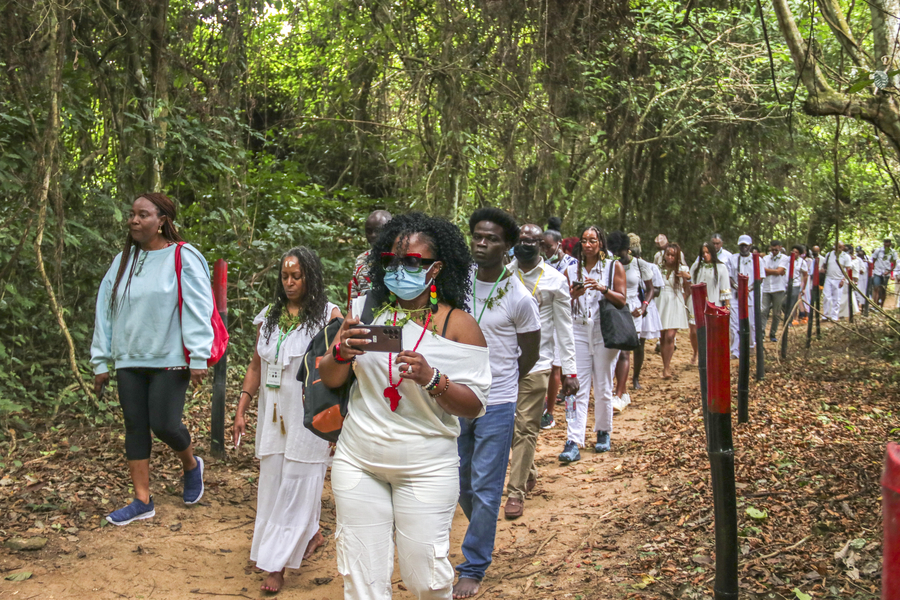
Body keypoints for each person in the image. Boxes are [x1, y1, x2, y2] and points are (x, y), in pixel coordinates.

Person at [319, 212, 491, 600]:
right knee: (361, 579)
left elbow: (475, 405)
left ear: (436, 268)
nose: (399, 270)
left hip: (427, 468)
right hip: (358, 461)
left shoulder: (458, 325)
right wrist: (342, 352)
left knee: (425, 580)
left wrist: (433, 379)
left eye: (412, 262)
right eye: (390, 261)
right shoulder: (365, 310)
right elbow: (331, 378)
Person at [91, 193, 212, 525]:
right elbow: (105, 311)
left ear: (162, 220)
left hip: (170, 357)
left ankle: (191, 464)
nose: (134, 220)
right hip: (128, 358)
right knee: (134, 427)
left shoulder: (183, 256)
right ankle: (142, 500)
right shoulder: (122, 261)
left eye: (143, 215)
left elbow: (199, 306)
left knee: (164, 424)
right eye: (132, 214)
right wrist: (101, 360)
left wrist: (199, 354)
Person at [232, 247, 339, 593]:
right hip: (273, 413)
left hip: (308, 413)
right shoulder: (270, 317)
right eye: (284, 276)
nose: (289, 282)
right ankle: (305, 533)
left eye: (296, 276)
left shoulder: (328, 315)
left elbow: (340, 372)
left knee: (300, 476)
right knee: (274, 478)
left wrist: (337, 421)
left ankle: (276, 563)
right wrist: (243, 405)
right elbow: (255, 366)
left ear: (310, 276)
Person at [456, 208, 540, 598]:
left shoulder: (520, 296)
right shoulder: (460, 283)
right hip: (457, 398)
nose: (481, 244)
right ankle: (483, 531)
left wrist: (501, 381)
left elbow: (530, 354)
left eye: (490, 239)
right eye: (477, 237)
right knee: (461, 484)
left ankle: (473, 565)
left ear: (506, 247)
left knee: (487, 489)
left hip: (499, 402)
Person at [504, 224, 578, 520]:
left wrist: (570, 370)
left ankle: (515, 492)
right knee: (507, 424)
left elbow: (565, 327)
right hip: (504, 362)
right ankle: (529, 468)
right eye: (520, 240)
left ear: (543, 246)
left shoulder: (555, 280)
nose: (524, 245)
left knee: (526, 427)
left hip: (539, 362)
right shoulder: (503, 274)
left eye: (530, 241)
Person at [558, 226, 627, 462]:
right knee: (576, 385)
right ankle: (573, 439)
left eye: (593, 240)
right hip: (578, 329)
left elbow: (622, 299)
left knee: (604, 383)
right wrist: (573, 295)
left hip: (603, 330)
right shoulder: (570, 269)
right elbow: (562, 303)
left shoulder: (612, 267)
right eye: (584, 240)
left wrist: (602, 288)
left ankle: (603, 431)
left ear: (601, 243)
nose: (588, 245)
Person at [608, 232, 653, 409]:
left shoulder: (639, 265)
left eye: (621, 251)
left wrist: (643, 307)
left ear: (628, 249)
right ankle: (622, 391)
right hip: (616, 308)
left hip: (633, 309)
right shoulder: (610, 265)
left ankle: (619, 394)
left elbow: (650, 289)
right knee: (614, 352)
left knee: (625, 351)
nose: (618, 255)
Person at [539, 225, 578, 430]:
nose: (545, 251)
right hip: (544, 320)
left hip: (562, 318)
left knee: (555, 366)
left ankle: (550, 411)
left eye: (549, 247)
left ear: (559, 245)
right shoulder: (540, 264)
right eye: (542, 247)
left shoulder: (572, 265)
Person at [657, 243, 691, 379]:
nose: (670, 257)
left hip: (675, 301)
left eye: (673, 255)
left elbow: (689, 288)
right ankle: (664, 365)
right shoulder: (658, 268)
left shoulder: (683, 269)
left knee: (670, 336)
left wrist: (685, 278)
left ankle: (667, 368)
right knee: (663, 336)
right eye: (668, 254)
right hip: (661, 301)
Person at [726, 236, 764, 359]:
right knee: (734, 324)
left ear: (750, 246)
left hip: (751, 294)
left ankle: (751, 346)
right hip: (736, 294)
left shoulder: (757, 260)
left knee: (751, 323)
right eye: (742, 245)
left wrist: (749, 289)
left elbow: (760, 277)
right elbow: (729, 276)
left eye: (746, 245)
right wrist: (738, 287)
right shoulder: (733, 259)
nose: (744, 248)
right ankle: (734, 350)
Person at [350, 209, 392, 299]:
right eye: (369, 231)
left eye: (378, 231)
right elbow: (354, 294)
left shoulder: (401, 259)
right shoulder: (361, 259)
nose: (373, 235)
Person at [636, 248, 664, 385]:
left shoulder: (650, 267)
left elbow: (657, 290)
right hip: (628, 305)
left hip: (645, 307)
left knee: (640, 344)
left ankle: (636, 377)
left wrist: (644, 294)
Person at [760, 240, 789, 342]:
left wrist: (769, 271)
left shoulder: (784, 258)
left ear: (780, 248)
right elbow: (762, 271)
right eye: (772, 250)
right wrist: (775, 271)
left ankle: (773, 333)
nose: (774, 251)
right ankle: (761, 333)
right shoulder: (766, 258)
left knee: (776, 313)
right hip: (766, 287)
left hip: (779, 288)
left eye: (776, 250)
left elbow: (780, 271)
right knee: (763, 310)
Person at [690, 241, 732, 310]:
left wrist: (727, 307)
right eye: (703, 253)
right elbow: (691, 284)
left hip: (714, 303)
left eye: (707, 252)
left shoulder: (721, 267)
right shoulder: (696, 266)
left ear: (712, 253)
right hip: (697, 304)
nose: (705, 255)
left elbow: (725, 290)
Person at [820, 242, 852, 322]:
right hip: (829, 278)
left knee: (837, 299)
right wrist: (823, 270)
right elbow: (824, 265)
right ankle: (825, 315)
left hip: (839, 279)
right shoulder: (829, 254)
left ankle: (834, 316)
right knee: (826, 297)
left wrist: (843, 280)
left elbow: (848, 269)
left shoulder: (846, 257)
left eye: (841, 247)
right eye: (837, 247)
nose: (839, 249)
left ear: (843, 247)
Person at [782, 244, 809, 326]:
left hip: (795, 285)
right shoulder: (786, 259)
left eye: (796, 252)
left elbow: (805, 275)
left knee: (792, 303)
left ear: (800, 254)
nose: (794, 253)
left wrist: (803, 288)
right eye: (793, 251)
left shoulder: (802, 262)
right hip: (784, 284)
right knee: (782, 303)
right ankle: (788, 317)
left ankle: (789, 321)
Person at [872, 239, 896, 308]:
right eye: (886, 242)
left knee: (883, 289)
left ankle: (881, 305)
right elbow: (874, 260)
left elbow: (894, 264)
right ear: (884, 243)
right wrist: (874, 269)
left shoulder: (893, 252)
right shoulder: (878, 251)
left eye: (888, 242)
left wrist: (889, 271)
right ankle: (875, 305)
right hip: (877, 272)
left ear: (890, 243)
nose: (887, 244)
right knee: (876, 287)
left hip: (886, 273)